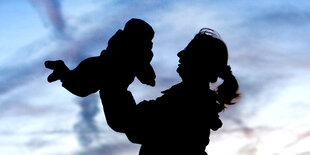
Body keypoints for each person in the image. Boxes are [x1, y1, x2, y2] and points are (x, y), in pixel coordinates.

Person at [99, 28, 240, 155]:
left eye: (188, 51)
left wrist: (115, 79)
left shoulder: (186, 101)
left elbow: (132, 124)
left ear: (200, 62)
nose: (180, 54)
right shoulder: (193, 99)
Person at [44, 18, 156, 97]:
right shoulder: (135, 51)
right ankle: (62, 71)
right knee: (80, 88)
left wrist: (148, 77)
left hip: (95, 64)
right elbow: (141, 67)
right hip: (103, 71)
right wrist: (149, 78)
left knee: (79, 86)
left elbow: (141, 67)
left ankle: (62, 70)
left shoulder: (120, 41)